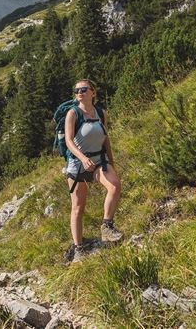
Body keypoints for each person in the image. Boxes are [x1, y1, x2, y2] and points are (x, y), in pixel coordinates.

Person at [63, 79, 122, 262]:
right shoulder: (73, 113)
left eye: (83, 89)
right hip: (78, 164)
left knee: (114, 186)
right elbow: (69, 141)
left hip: (99, 160)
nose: (79, 92)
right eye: (76, 90)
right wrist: (82, 158)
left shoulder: (101, 113)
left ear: (93, 92)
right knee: (78, 207)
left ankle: (107, 226)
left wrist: (111, 160)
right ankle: (78, 247)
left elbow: (105, 138)